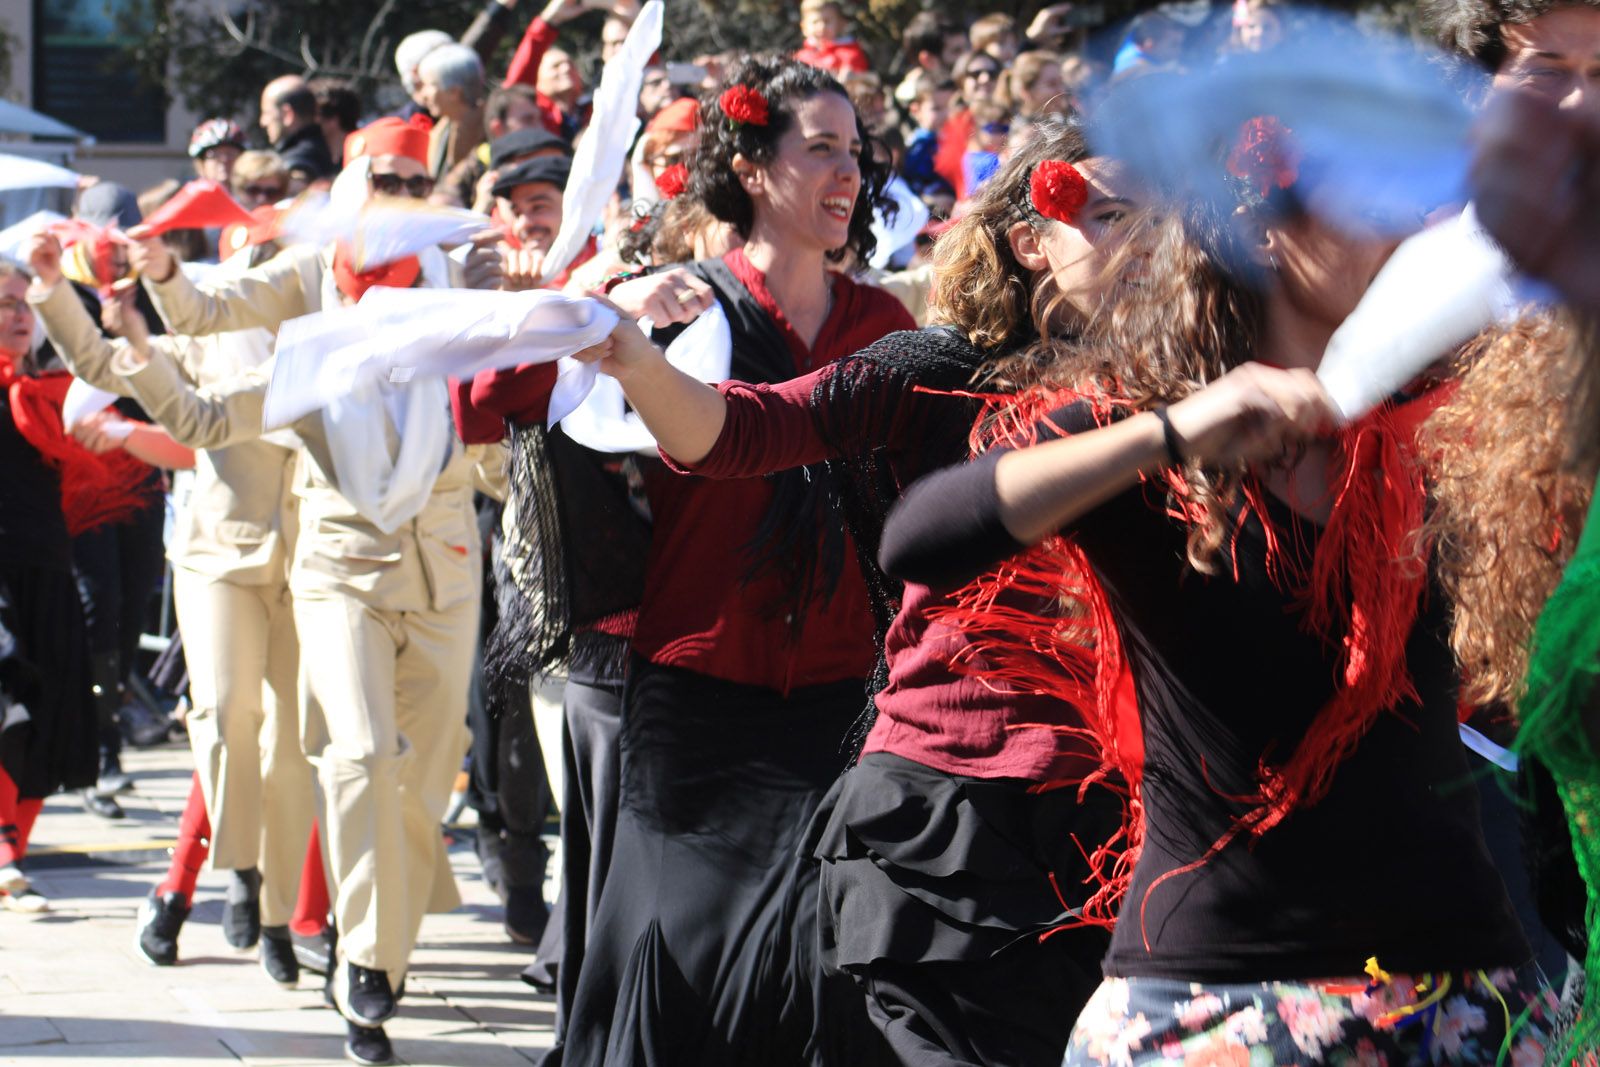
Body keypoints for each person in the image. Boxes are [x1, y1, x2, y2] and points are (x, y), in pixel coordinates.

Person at [875, 124, 1552, 1063]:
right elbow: (923, 535)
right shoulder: (1146, 430)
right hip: (1221, 997)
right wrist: (1171, 431)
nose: (1409, 239)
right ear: (1267, 232)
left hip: (1465, 991)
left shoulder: (1457, 435)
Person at [566, 124, 1147, 1067]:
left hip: (1118, 821)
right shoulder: (935, 370)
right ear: (1032, 237)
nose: (1148, 242)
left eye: (1164, 218)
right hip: (950, 808)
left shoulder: (1187, 393)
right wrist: (638, 363)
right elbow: (739, 431)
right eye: (1116, 214)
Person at [459, 55, 915, 1065]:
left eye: (857, 151)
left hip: (841, 695)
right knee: (671, 956)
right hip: (694, 690)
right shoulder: (682, 305)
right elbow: (487, 407)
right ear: (752, 168)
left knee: (816, 964)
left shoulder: (882, 324)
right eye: (822, 148)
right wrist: (603, 304)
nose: (849, 172)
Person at [124, 115, 503, 1066]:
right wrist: (164, 271)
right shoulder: (309, 268)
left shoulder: (462, 272)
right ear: (349, 185)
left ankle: (372, 937)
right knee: (359, 752)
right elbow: (208, 315)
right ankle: (364, 963)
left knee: (426, 774)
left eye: (418, 179)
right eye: (384, 177)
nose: (401, 194)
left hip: (447, 553)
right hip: (332, 549)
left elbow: (537, 337)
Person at [30, 202, 313, 988]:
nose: (270, 273)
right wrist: (54, 291)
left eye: (282, 258)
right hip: (220, 551)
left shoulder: (330, 338)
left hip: (319, 561)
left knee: (292, 745)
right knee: (224, 718)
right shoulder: (197, 335)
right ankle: (241, 877)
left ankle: (274, 906)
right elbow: (106, 369)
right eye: (255, 257)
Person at [0, 261, 100, 913]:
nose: (17, 314)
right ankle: (5, 850)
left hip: (46, 565)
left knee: (53, 714)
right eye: (6, 302)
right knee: (4, 685)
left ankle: (16, 848)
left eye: (24, 305)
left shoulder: (60, 392)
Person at [419, 43, 488, 182]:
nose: (423, 95)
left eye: (429, 85)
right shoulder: (445, 127)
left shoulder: (489, 132)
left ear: (454, 92)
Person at [259, 75, 336, 189]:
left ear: (287, 114)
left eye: (267, 113)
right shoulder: (329, 149)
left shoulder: (295, 165)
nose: (262, 122)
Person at [795, 0, 871, 75]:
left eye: (827, 21)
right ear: (803, 27)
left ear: (841, 24)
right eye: (815, 22)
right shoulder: (799, 57)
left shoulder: (851, 56)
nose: (821, 27)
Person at [309, 77, 362, 168]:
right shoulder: (317, 161)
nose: (309, 121)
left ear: (333, 119)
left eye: (312, 114)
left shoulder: (363, 160)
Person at [189, 119, 245, 186]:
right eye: (214, 154)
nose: (224, 159)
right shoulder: (190, 195)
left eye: (231, 154)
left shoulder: (257, 194)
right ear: (201, 163)